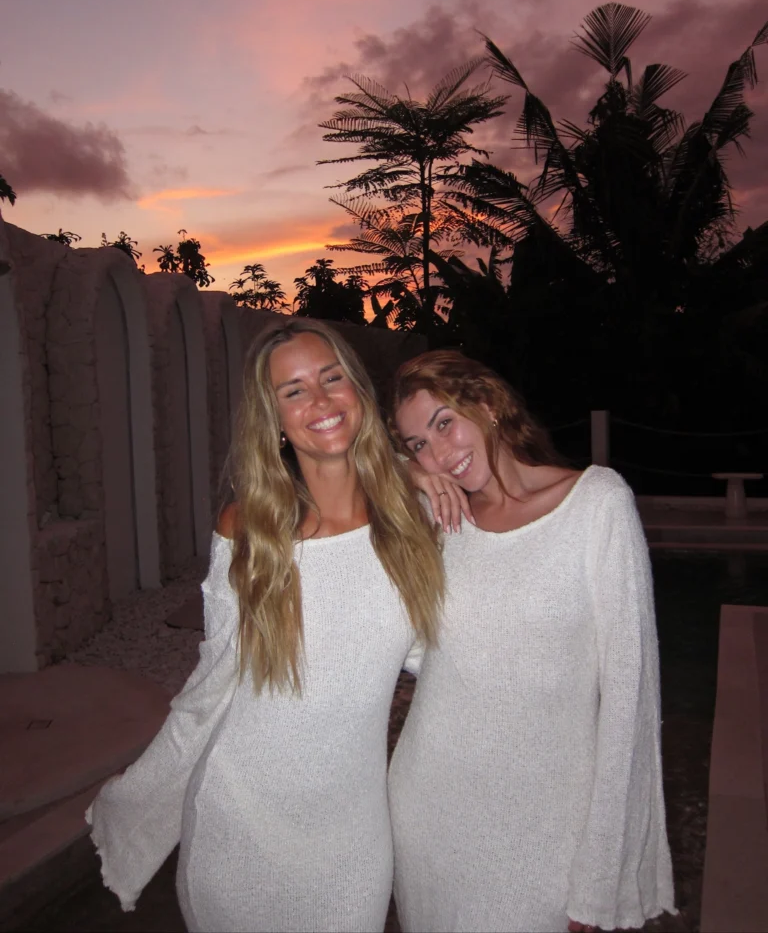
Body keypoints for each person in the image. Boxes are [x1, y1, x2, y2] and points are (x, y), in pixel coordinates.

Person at [86, 319, 444, 933]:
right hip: (238, 822)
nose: (320, 401)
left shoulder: (414, 520)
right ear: (274, 418)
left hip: (352, 832)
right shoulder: (249, 528)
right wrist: (141, 798)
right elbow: (213, 680)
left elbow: (441, 655)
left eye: (331, 378)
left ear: (358, 390)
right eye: (293, 390)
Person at [388, 349, 675, 933]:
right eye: (419, 443)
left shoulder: (596, 505)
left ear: (487, 404)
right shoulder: (438, 518)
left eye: (445, 423)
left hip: (548, 832)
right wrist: (407, 472)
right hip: (429, 816)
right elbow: (334, 472)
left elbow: (631, 699)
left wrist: (601, 877)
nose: (439, 452)